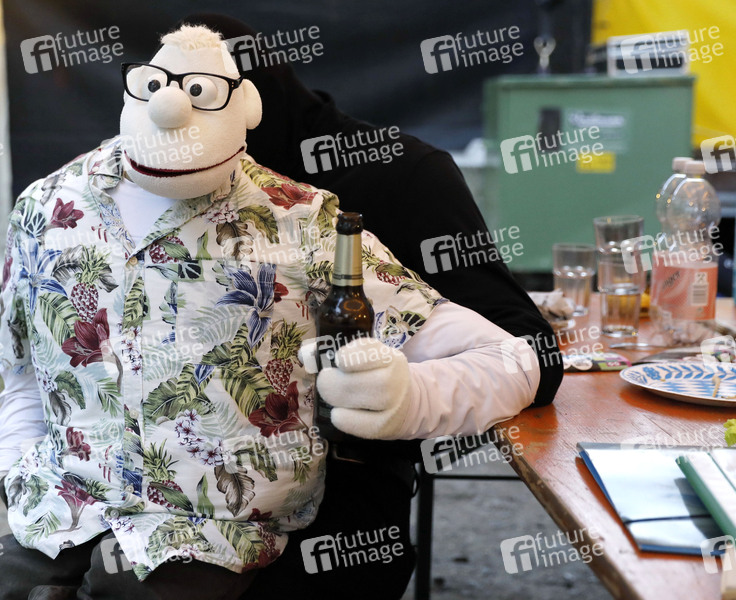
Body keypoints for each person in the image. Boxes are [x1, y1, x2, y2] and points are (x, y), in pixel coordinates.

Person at [0, 23, 544, 600]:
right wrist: (11, 467)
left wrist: (406, 397)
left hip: (212, 529)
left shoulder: (304, 223)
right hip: (64, 508)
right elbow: (25, 368)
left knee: (133, 593)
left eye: (200, 92)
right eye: (156, 86)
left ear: (245, 106)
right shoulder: (47, 207)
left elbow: (511, 359)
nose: (171, 108)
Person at [176, 14, 564, 599]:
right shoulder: (154, 178)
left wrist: (406, 397)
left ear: (249, 102)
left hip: (339, 497)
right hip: (165, 497)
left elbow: (530, 353)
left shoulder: (393, 178)